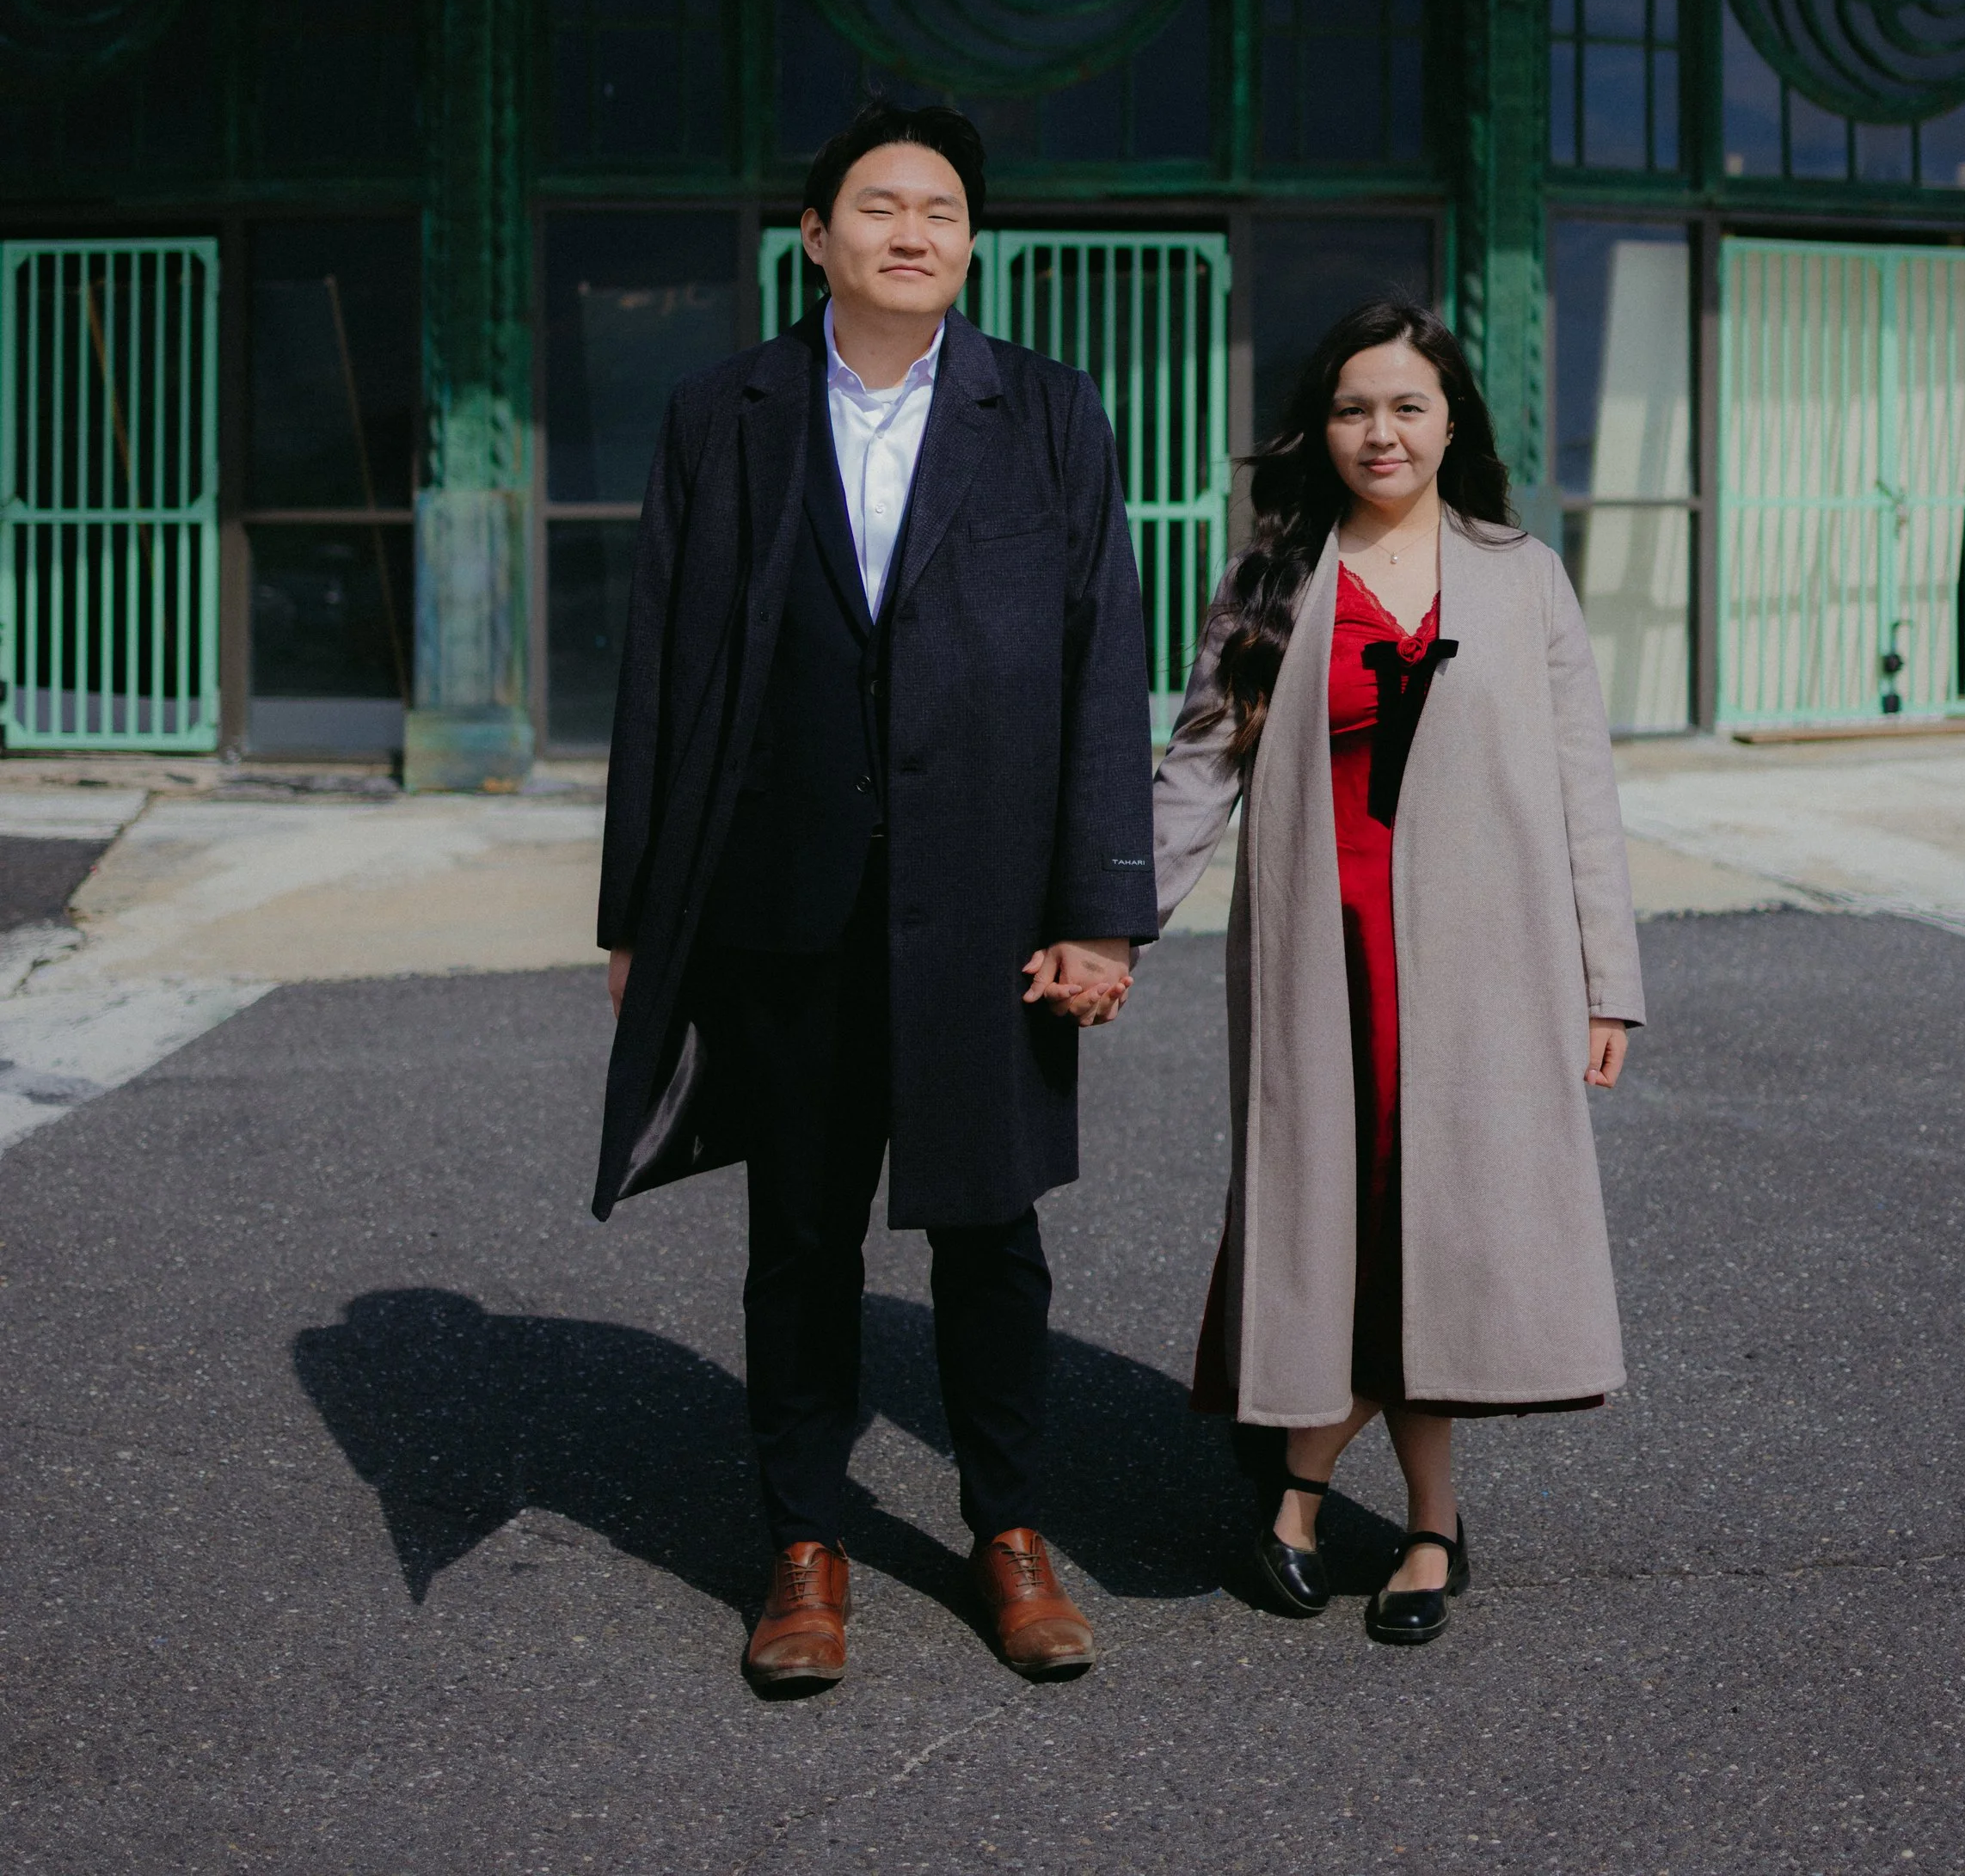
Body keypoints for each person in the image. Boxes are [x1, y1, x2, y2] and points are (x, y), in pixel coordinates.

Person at [592, 101, 1158, 1694]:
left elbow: (1096, 657)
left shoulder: (1042, 409)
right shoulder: (728, 412)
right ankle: (801, 1542)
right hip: (788, 898)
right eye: (882, 204)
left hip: (991, 897)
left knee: (992, 1233)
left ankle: (1010, 1529)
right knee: (799, 1235)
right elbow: (664, 672)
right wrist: (640, 913)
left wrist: (1103, 905)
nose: (915, 231)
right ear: (817, 236)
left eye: (944, 212)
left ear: (970, 247)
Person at [1150, 297, 1643, 1646]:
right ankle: (1334, 1496)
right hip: (1325, 951)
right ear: (1321, 428)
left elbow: (1581, 789)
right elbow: (1196, 772)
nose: (1383, 431)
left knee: (1445, 1227)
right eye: (1357, 407)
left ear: (1451, 421)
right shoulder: (1272, 582)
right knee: (1344, 1220)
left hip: (1487, 964)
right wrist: (1107, 920)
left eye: (1409, 405)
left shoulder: (1519, 573)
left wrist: (1609, 978)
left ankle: (1403, 1516)